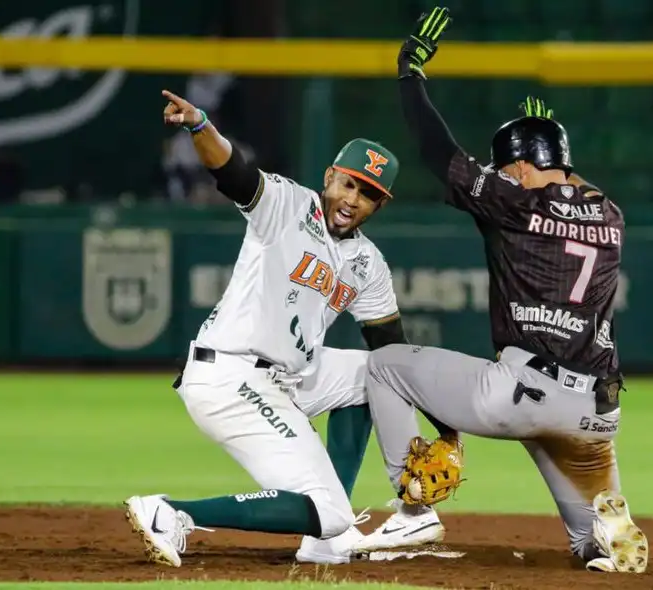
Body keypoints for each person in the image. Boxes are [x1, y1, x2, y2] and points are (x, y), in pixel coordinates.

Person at [352, 7, 650, 574]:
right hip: (596, 411)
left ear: (518, 168)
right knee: (587, 547)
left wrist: (410, 73)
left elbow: (439, 154)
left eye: (506, 167)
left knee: (385, 365)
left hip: (522, 392)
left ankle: (411, 509)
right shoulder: (610, 213)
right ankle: (603, 533)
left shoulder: (515, 201)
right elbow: (564, 181)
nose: (501, 175)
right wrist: (548, 143)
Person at [123, 90, 445, 568]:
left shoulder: (368, 264)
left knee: (372, 375)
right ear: (329, 177)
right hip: (231, 377)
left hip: (290, 377)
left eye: (369, 195)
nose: (353, 200)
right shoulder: (287, 205)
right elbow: (232, 173)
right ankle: (171, 513)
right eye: (350, 185)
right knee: (333, 513)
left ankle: (334, 535)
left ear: (380, 205)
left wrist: (446, 433)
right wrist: (199, 126)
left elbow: (392, 356)